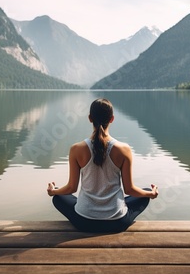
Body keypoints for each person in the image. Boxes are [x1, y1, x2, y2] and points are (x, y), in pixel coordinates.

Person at [47, 98, 158, 232]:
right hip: (117, 222)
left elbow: (71, 188)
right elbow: (129, 190)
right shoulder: (124, 149)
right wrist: (151, 194)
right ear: (112, 119)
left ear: (89, 118)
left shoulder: (76, 149)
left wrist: (53, 191)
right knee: (145, 194)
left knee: (58, 198)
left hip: (84, 221)